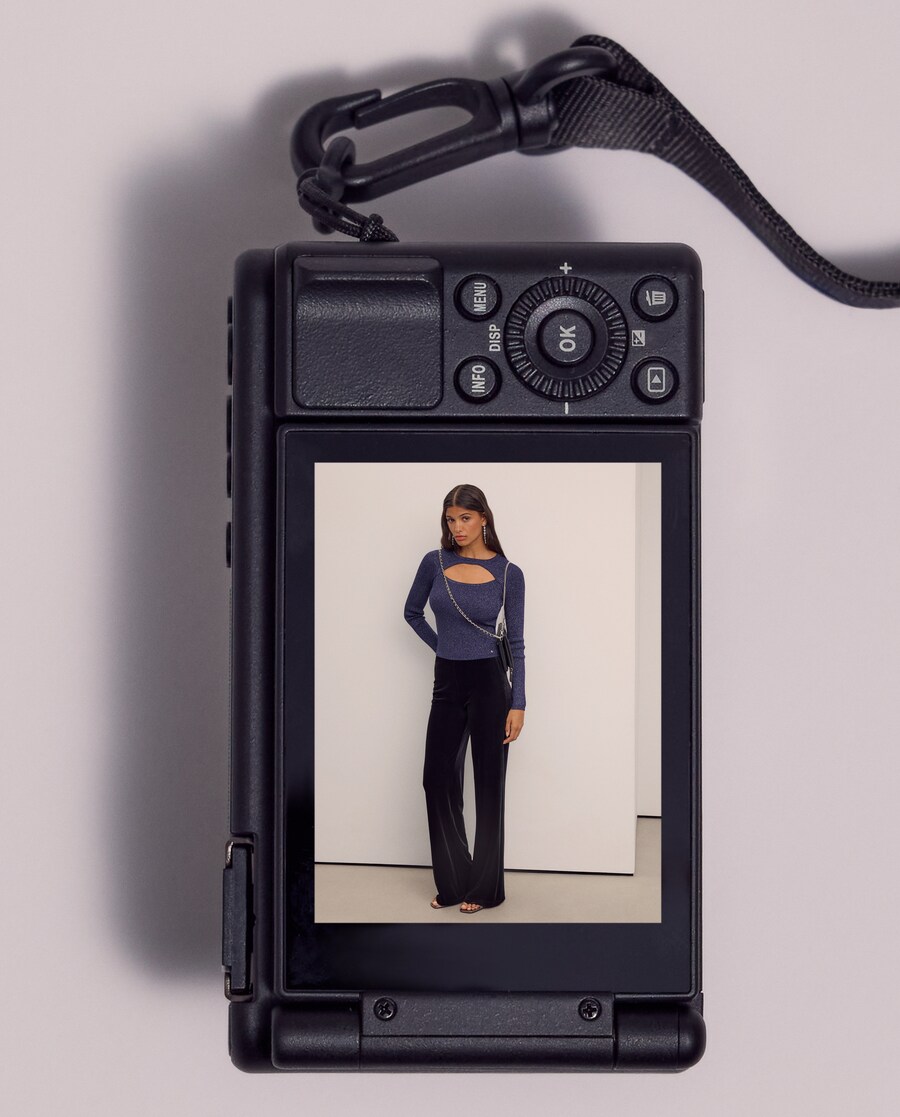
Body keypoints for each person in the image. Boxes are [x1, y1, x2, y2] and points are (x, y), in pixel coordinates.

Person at [403, 483, 526, 914]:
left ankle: (486, 889)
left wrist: (519, 703)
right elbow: (411, 612)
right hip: (447, 681)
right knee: (436, 778)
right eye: (451, 519)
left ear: (483, 519)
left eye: (466, 518)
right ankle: (454, 882)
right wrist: (444, 647)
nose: (457, 527)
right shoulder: (434, 562)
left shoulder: (509, 573)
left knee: (489, 786)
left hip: (491, 682)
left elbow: (517, 643)